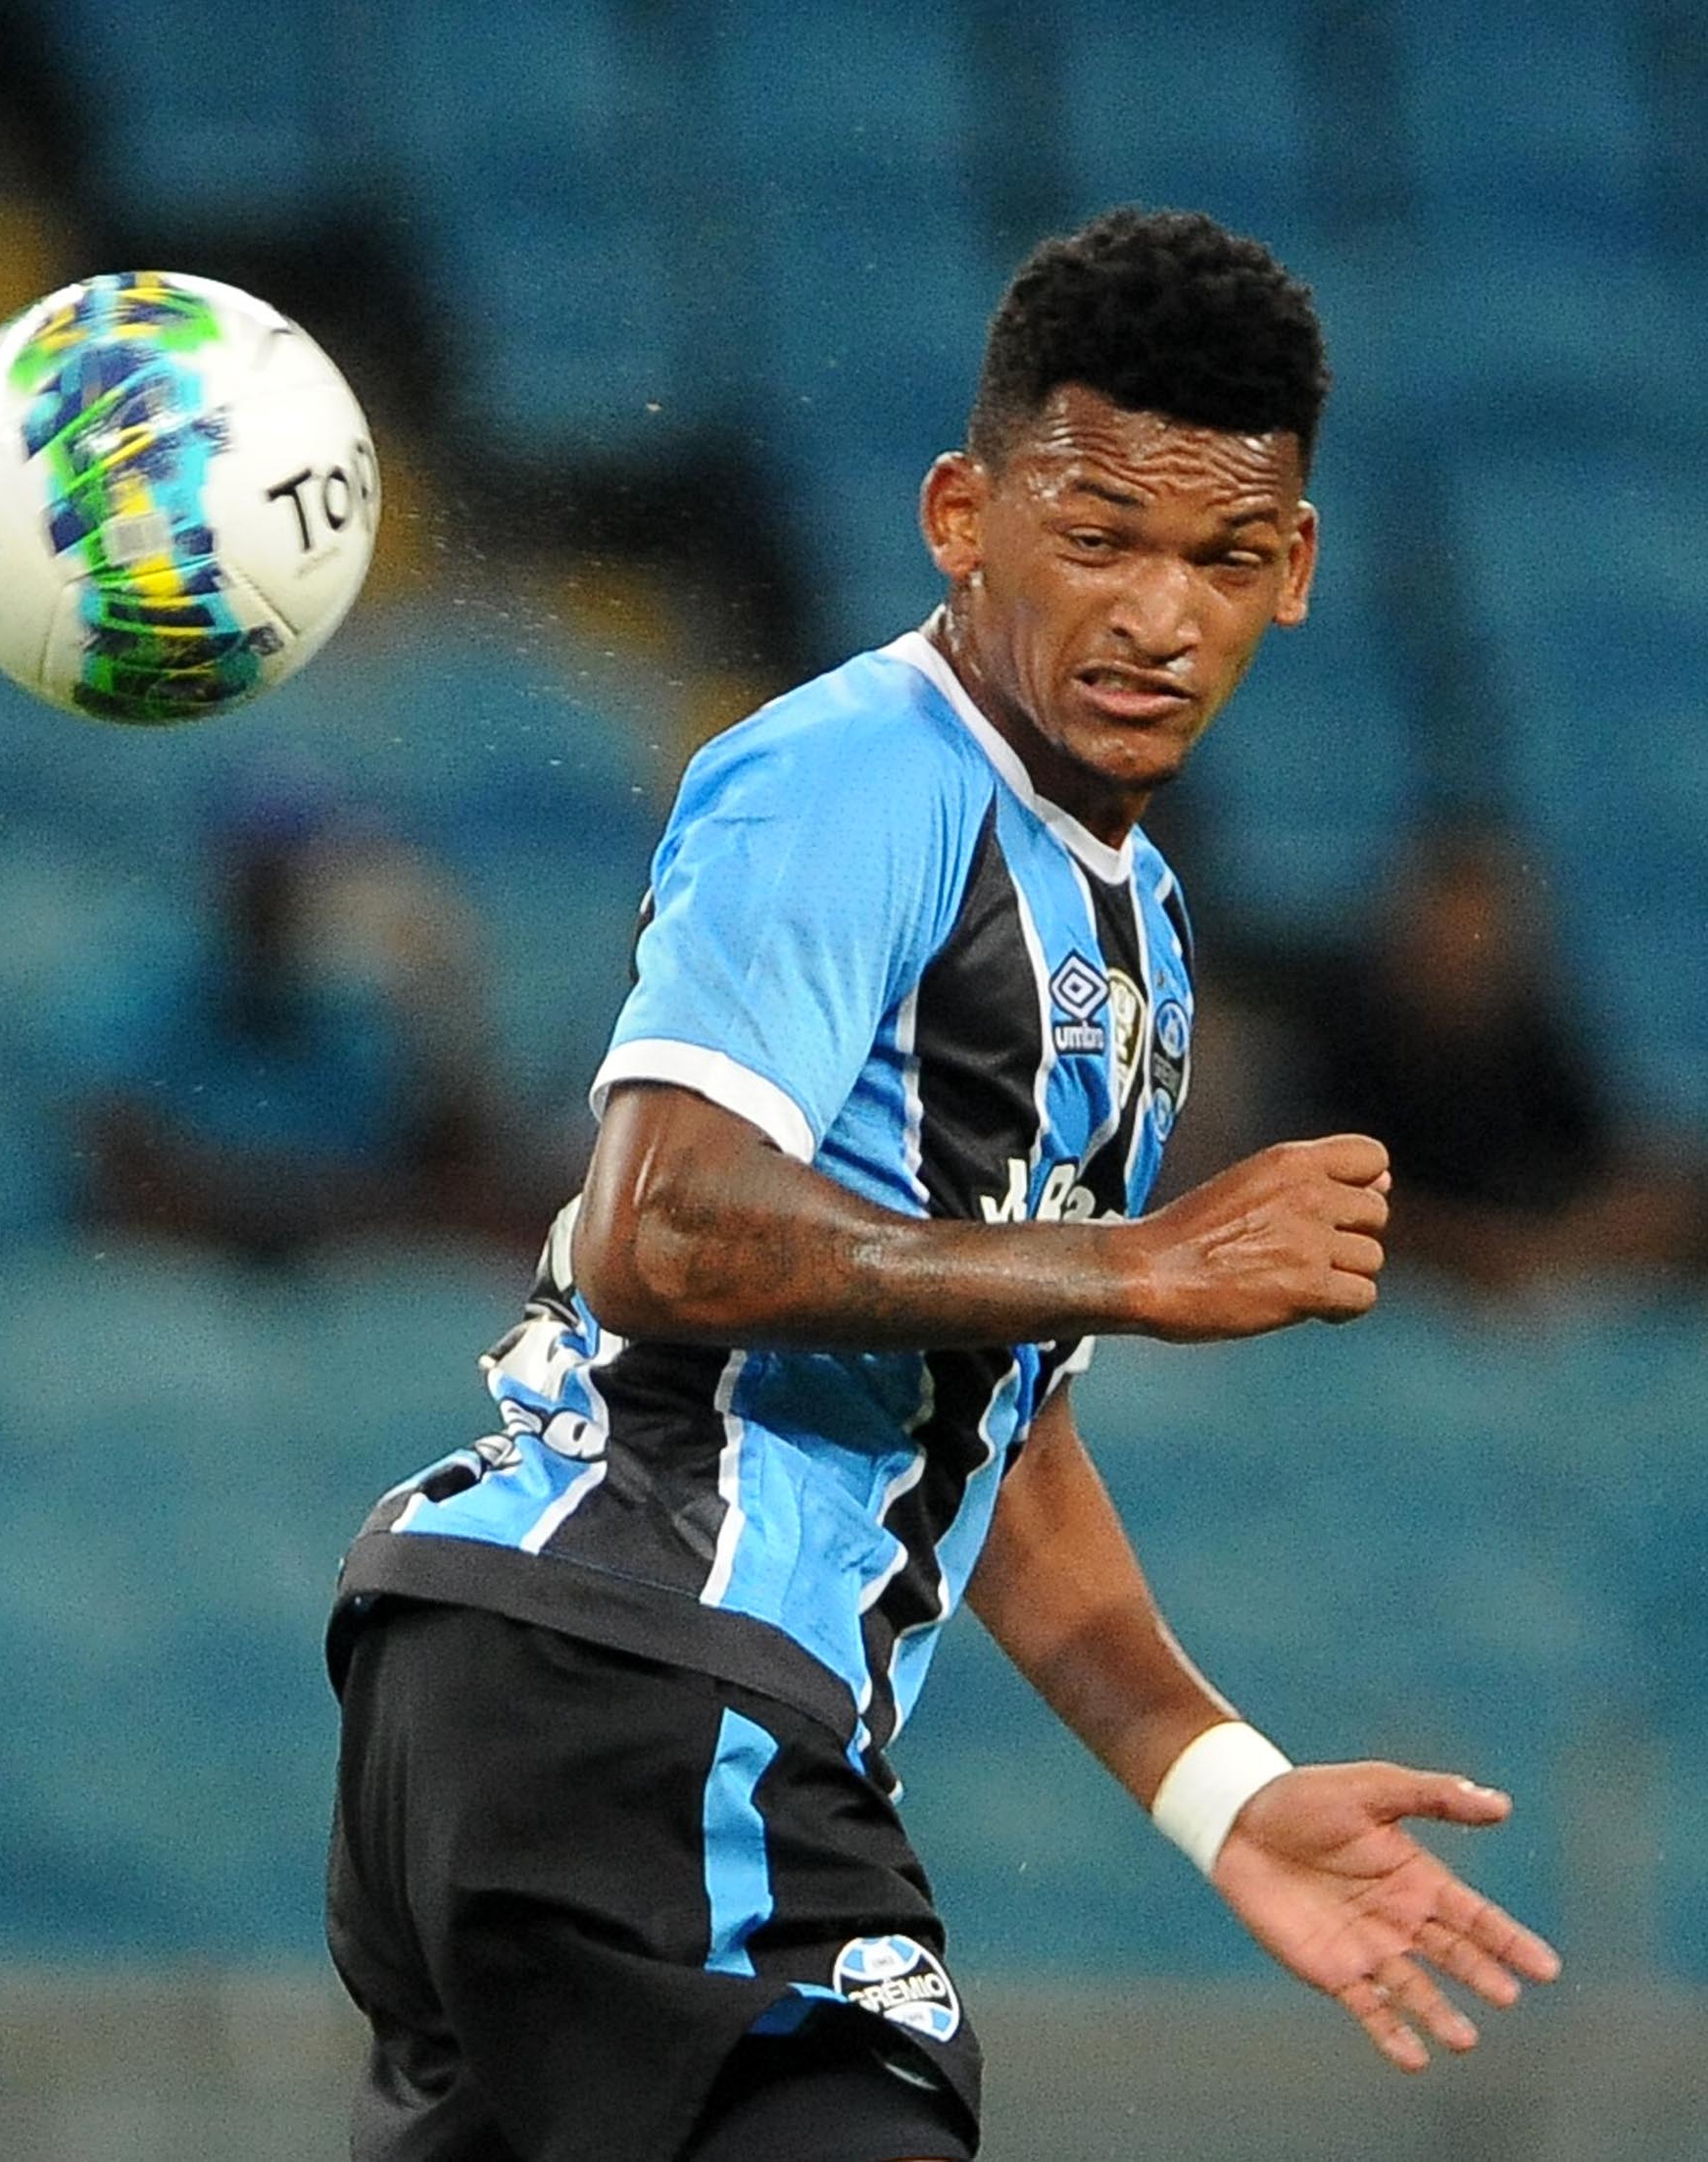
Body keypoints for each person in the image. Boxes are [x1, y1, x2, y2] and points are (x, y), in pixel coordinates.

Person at [322, 211, 1559, 2162]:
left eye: (1222, 557)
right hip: (641, 1661)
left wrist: (1218, 1784)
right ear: (961, 516)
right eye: (1101, 537)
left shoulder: (1133, 923)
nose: (1161, 613)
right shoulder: (857, 774)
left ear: (1296, 571)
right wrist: (1129, 1261)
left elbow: (992, 1423)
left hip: (574, 1700)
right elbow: (658, 1223)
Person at [73, 773, 558, 1261]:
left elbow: (448, 1172)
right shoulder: (149, 1002)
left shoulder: (356, 1019)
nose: (268, 898)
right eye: (256, 874)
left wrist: (439, 998)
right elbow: (127, 1177)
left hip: (339, 1280)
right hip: (185, 1284)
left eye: (290, 878)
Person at [1299, 822, 1704, 1296]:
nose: (1464, 954)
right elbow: (1310, 1198)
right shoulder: (1344, 1041)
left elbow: (1600, 1170)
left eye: (1482, 934)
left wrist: (1553, 1247)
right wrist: (1472, 1253)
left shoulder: (1532, 1044)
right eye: (1446, 932)